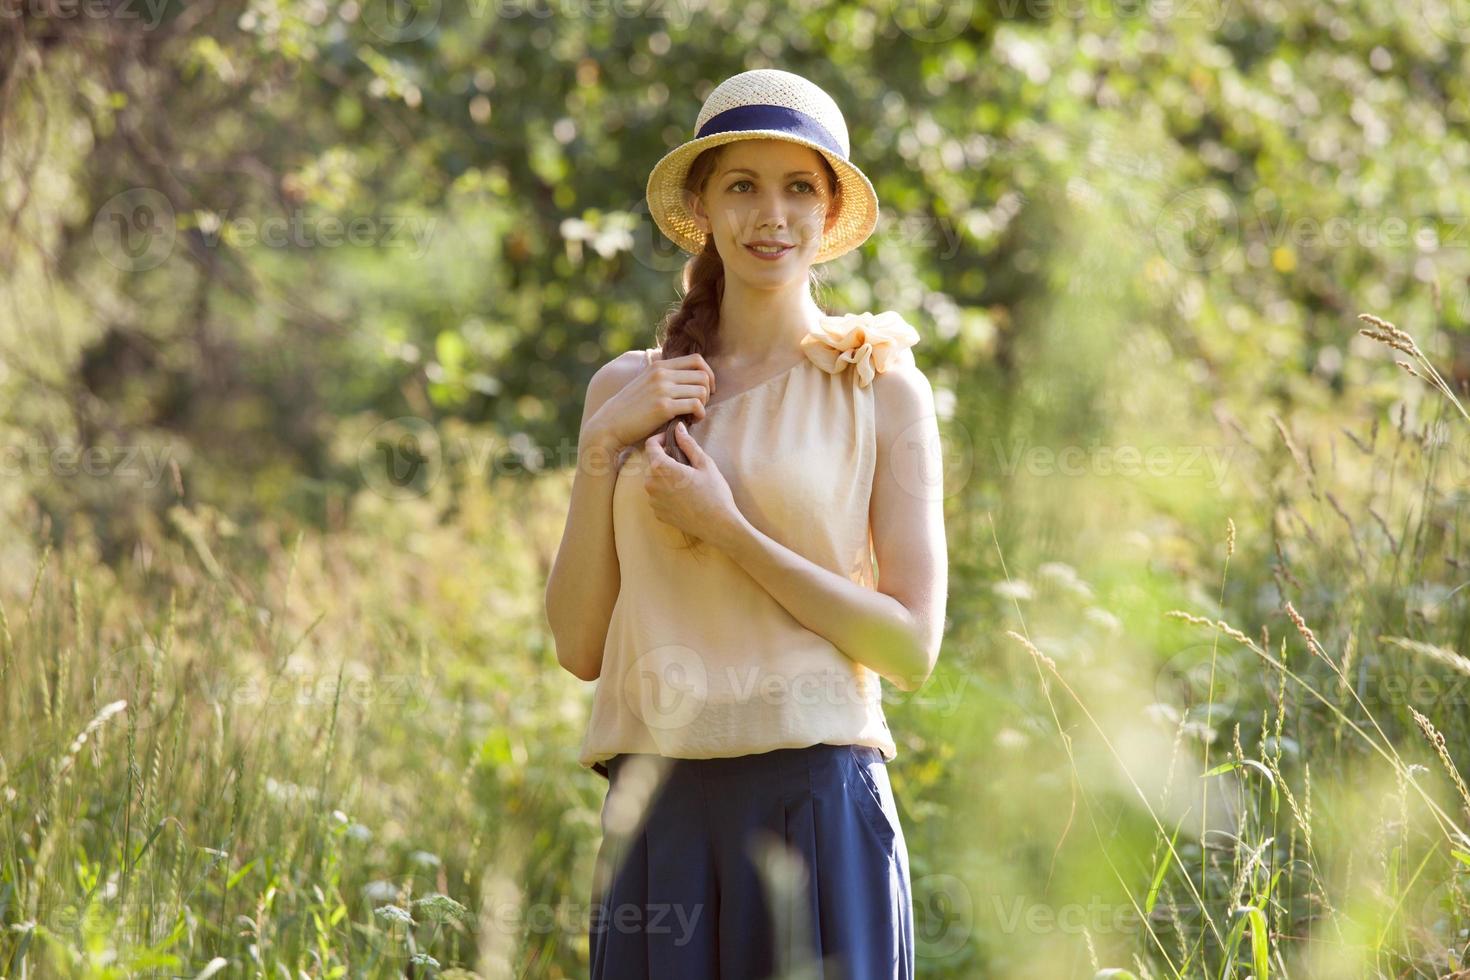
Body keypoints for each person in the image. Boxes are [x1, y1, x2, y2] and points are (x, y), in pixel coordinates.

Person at [544, 67, 948, 979]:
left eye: (799, 187)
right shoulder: (625, 392)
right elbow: (578, 645)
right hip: (659, 812)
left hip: (817, 800)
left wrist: (728, 530)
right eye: (743, 185)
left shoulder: (879, 385)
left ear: (830, 208)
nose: (772, 214)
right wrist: (603, 442)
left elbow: (912, 648)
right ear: (704, 204)